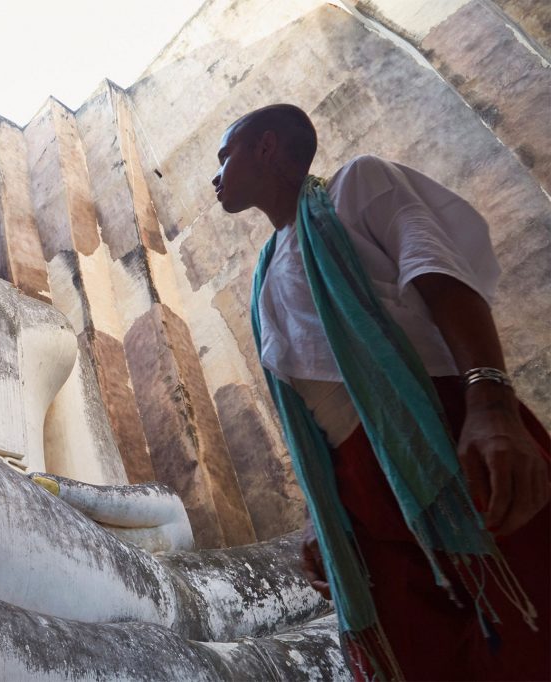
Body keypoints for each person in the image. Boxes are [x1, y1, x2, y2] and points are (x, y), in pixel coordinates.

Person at [211, 103, 550, 681]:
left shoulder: (355, 184)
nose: (216, 176)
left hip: (442, 434)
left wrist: (490, 403)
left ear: (266, 148)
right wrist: (327, 518)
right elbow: (311, 405)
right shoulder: (264, 275)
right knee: (430, 661)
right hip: (360, 495)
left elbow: (435, 269)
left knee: (529, 613)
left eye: (226, 156)